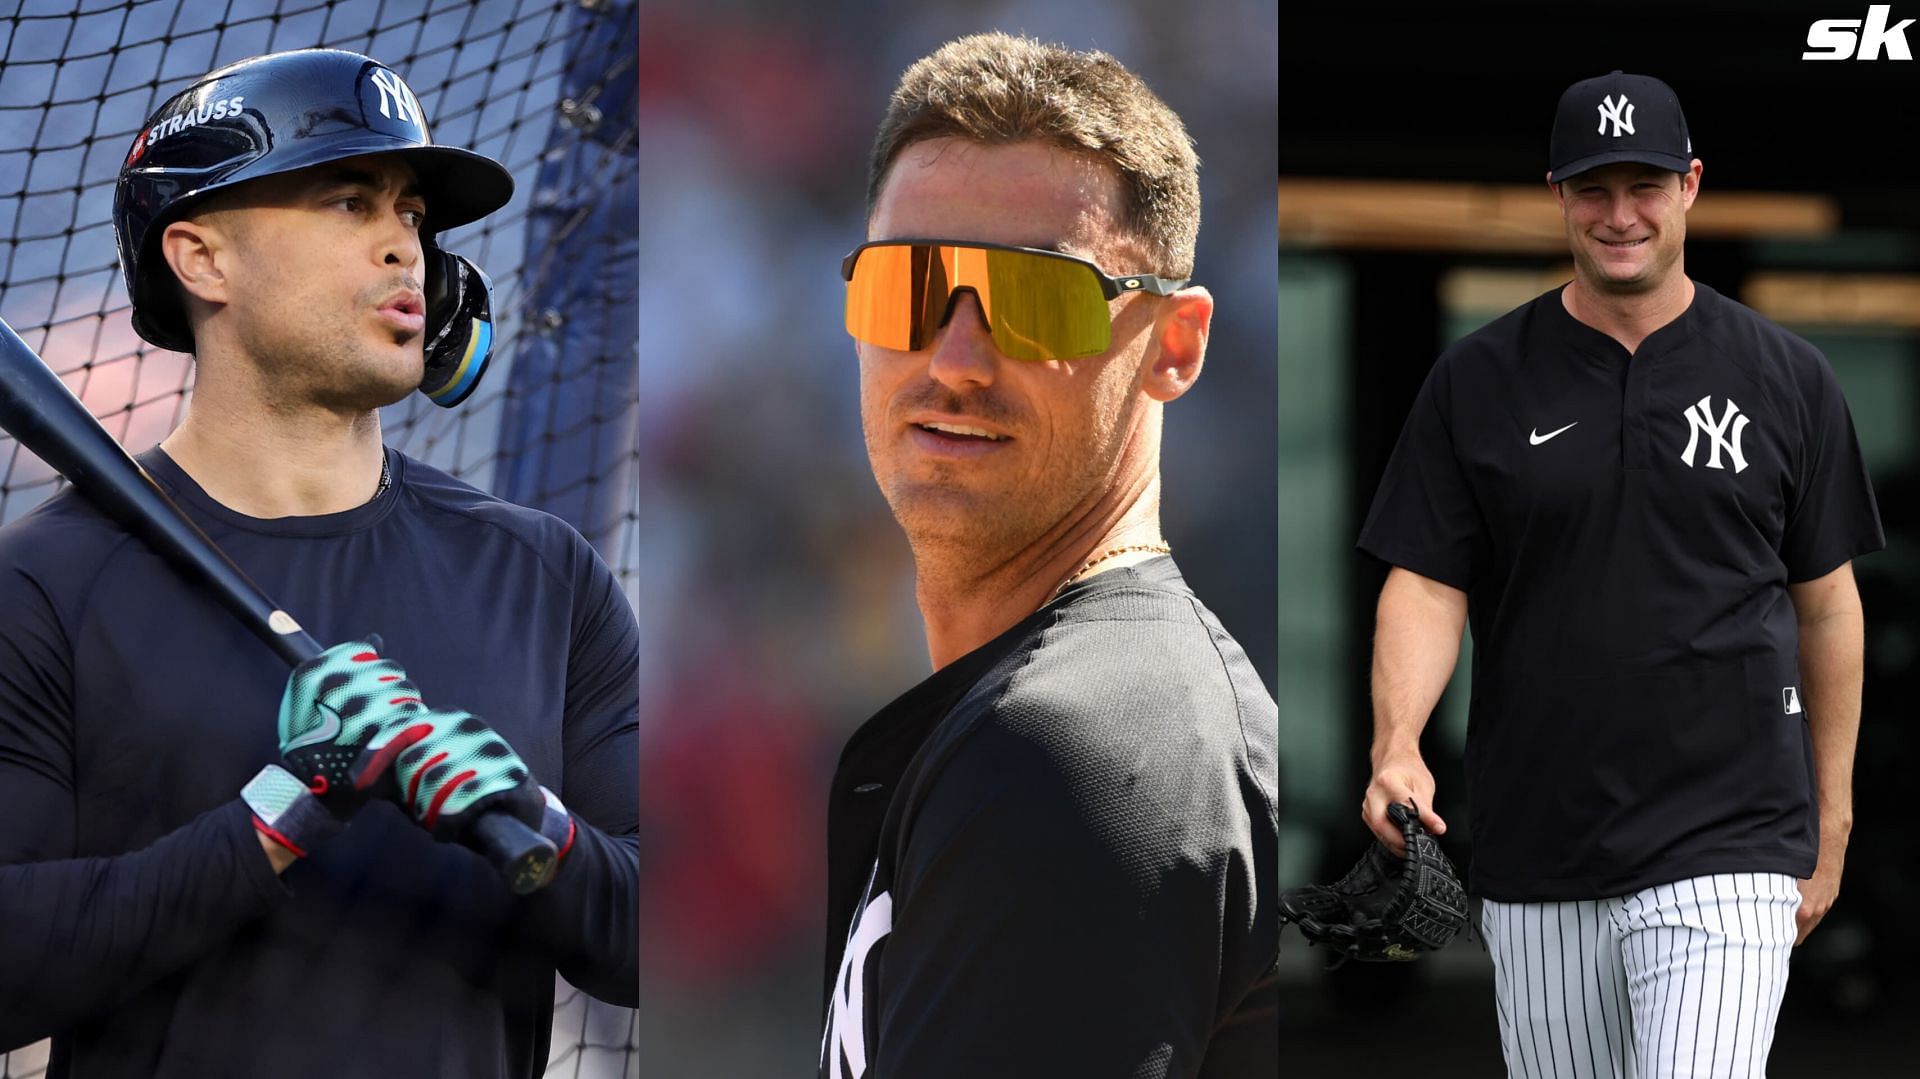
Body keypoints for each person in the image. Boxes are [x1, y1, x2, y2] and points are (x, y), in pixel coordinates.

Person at [0, 49, 638, 1076]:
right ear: (201, 258)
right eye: (351, 202)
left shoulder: (541, 573)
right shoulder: (45, 584)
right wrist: (276, 815)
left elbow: (659, 942)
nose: (405, 247)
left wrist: (546, 833)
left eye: (414, 215)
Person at [1357, 70, 1882, 1077]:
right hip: (1540, 845)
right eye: (1594, 189)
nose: (1620, 214)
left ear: (1690, 185)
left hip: (1731, 838)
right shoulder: (1480, 377)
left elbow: (1827, 606)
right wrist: (1398, 743)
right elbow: (1426, 581)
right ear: (1558, 193)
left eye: (1644, 184)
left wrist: (1834, 813)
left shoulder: (1787, 377)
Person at [820, 32, 1278, 1079]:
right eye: (909, 286)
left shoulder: (1069, 756)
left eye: (1034, 300)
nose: (955, 359)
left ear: (1175, 343)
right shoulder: (1086, 709)